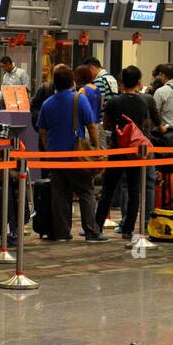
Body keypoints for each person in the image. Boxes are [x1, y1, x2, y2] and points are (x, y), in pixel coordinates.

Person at [37, 64, 106, 243]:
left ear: (54, 84)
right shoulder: (79, 99)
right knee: (86, 192)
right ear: (72, 82)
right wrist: (96, 146)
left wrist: (48, 149)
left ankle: (62, 233)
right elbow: (91, 125)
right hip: (76, 156)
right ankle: (91, 232)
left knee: (59, 195)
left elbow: (42, 131)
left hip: (55, 157)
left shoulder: (47, 104)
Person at [97, 65, 154, 239]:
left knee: (108, 189)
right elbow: (145, 125)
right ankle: (128, 229)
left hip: (117, 149)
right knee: (134, 189)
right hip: (136, 151)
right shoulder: (143, 102)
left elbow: (106, 124)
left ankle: (97, 226)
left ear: (121, 82)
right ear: (139, 82)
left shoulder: (114, 102)